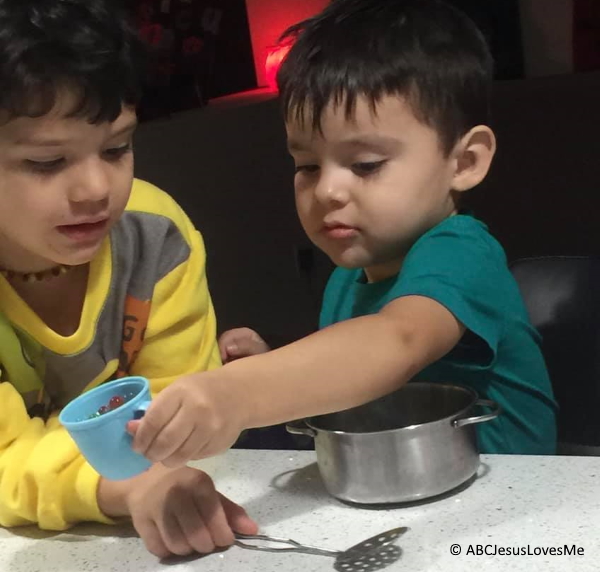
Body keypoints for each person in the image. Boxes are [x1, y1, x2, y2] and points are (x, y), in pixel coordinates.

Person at [130, 0, 557, 466]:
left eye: (365, 165)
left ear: (465, 162)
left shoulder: (461, 252)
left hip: (511, 501)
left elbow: (399, 342)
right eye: (308, 165)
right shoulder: (347, 278)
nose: (328, 190)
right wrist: (271, 364)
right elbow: (359, 387)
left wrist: (237, 392)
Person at [0, 0, 257, 559]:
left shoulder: (155, 238)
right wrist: (126, 486)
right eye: (47, 162)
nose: (96, 188)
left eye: (117, 148)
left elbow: (178, 418)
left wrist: (151, 475)